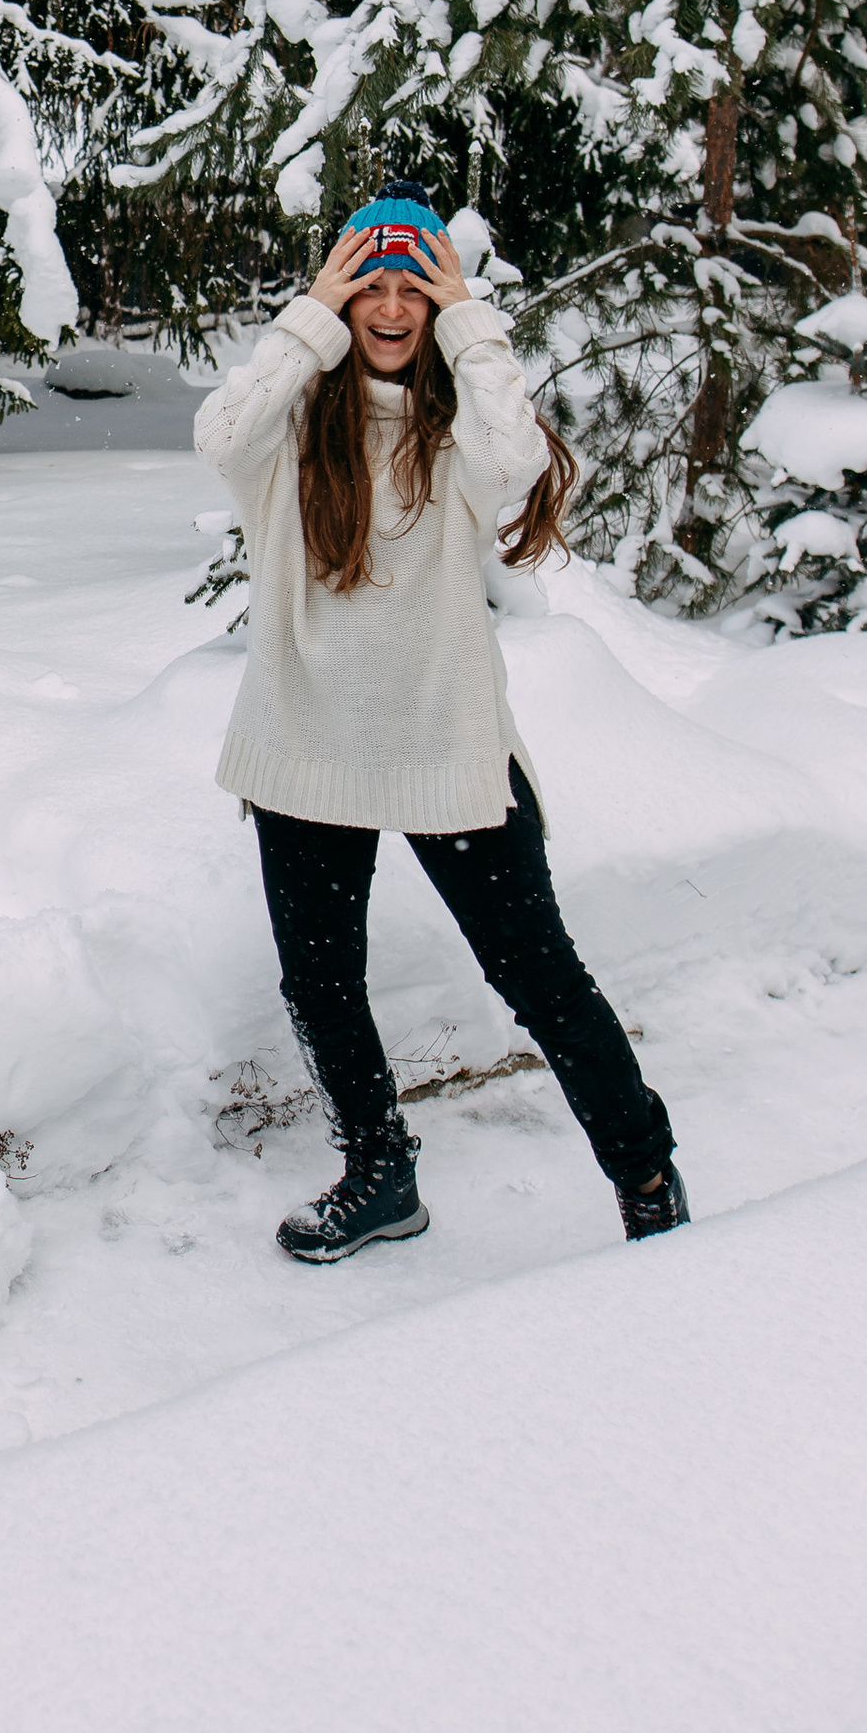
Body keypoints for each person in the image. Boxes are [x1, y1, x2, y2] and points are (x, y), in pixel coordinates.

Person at [197, 182, 688, 1259]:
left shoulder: (459, 431)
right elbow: (219, 430)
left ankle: (646, 1177)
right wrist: (307, 314)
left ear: (434, 303)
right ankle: (377, 1172)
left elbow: (515, 462)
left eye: (408, 288)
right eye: (365, 285)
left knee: (541, 982)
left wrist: (468, 316)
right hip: (307, 748)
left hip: (446, 747)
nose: (386, 307)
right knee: (321, 984)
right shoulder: (285, 437)